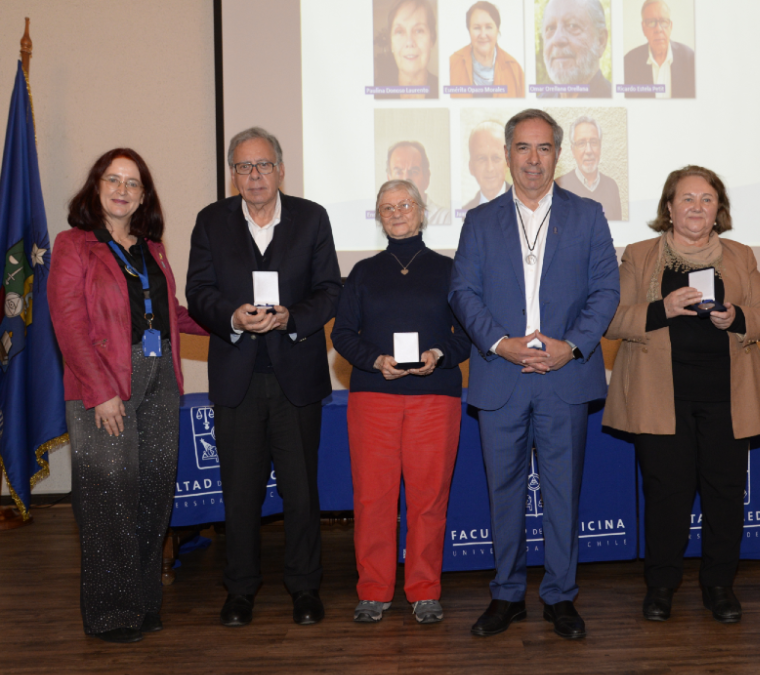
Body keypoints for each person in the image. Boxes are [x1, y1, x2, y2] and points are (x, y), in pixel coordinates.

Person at [450, 109, 620, 640]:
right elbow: (463, 293)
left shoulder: (588, 214)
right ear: (506, 156)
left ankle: (560, 596)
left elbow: (606, 291)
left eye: (543, 148)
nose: (532, 159)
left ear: (557, 155)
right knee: (503, 493)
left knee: (562, 493)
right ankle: (506, 596)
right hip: (501, 374)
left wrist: (571, 347)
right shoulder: (479, 220)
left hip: (562, 376)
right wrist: (502, 344)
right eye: (522, 148)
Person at [602, 165, 760, 623]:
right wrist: (662, 309)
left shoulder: (741, 255)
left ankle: (719, 586)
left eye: (707, 199)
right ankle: (661, 586)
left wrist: (737, 318)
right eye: (687, 199)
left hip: (729, 398)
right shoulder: (639, 255)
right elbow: (611, 319)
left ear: (719, 209)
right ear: (669, 208)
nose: (697, 207)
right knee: (667, 496)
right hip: (661, 398)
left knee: (725, 494)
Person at [186, 127, 342, 628]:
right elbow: (198, 291)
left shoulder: (312, 217)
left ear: (280, 169)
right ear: (233, 174)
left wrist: (290, 317)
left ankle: (304, 588)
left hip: (296, 375)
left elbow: (329, 290)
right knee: (240, 491)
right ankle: (240, 591)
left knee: (301, 491)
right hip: (237, 378)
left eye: (263, 165)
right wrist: (233, 317)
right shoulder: (210, 222)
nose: (254, 176)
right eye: (243, 167)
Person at [50, 148, 207, 643]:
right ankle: (111, 613)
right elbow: (69, 323)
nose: (122, 189)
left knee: (154, 492)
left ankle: (142, 601)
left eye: (132, 183)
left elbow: (170, 314)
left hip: (160, 379)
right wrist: (101, 392)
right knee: (107, 499)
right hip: (104, 382)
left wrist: (231, 320)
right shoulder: (74, 244)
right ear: (96, 188)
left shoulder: (152, 248)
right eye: (112, 180)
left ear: (143, 197)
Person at [331, 180, 471, 625]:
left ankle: (425, 590)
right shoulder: (363, 273)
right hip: (375, 397)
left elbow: (467, 335)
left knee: (429, 499)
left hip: (435, 397)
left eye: (404, 204)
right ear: (378, 215)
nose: (396, 212)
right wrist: (375, 360)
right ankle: (373, 590)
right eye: (386, 206)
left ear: (421, 210)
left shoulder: (451, 271)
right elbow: (342, 335)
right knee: (374, 498)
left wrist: (438, 354)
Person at [537, 0, 612, 99]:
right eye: (550, 28)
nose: (557, 39)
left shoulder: (612, 98)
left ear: (600, 41)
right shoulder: (540, 104)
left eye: (572, 26)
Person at [449, 1, 525, 98]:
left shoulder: (515, 69)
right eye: (476, 28)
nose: (483, 34)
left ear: (497, 30)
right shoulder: (452, 64)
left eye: (489, 27)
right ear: (469, 30)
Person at [623, 0, 695, 99]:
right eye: (651, 22)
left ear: (671, 26)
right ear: (643, 28)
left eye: (664, 22)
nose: (658, 29)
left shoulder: (690, 59)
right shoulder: (628, 63)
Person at [555, 115, 622, 220]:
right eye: (581, 143)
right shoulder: (559, 187)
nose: (589, 150)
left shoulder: (612, 186)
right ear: (573, 150)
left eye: (594, 142)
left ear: (600, 147)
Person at [375, 0, 440, 100]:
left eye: (419, 31)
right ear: (391, 43)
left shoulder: (443, 91)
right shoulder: (376, 91)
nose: (409, 42)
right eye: (400, 32)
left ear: (431, 39)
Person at [387, 141, 450, 225]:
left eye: (414, 171)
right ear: (389, 181)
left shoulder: (446, 218)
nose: (406, 178)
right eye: (399, 172)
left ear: (426, 178)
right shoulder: (380, 222)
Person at [462, 121, 510, 211]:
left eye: (496, 158)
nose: (489, 168)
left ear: (507, 163)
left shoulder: (527, 207)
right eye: (481, 159)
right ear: (471, 167)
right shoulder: (464, 215)